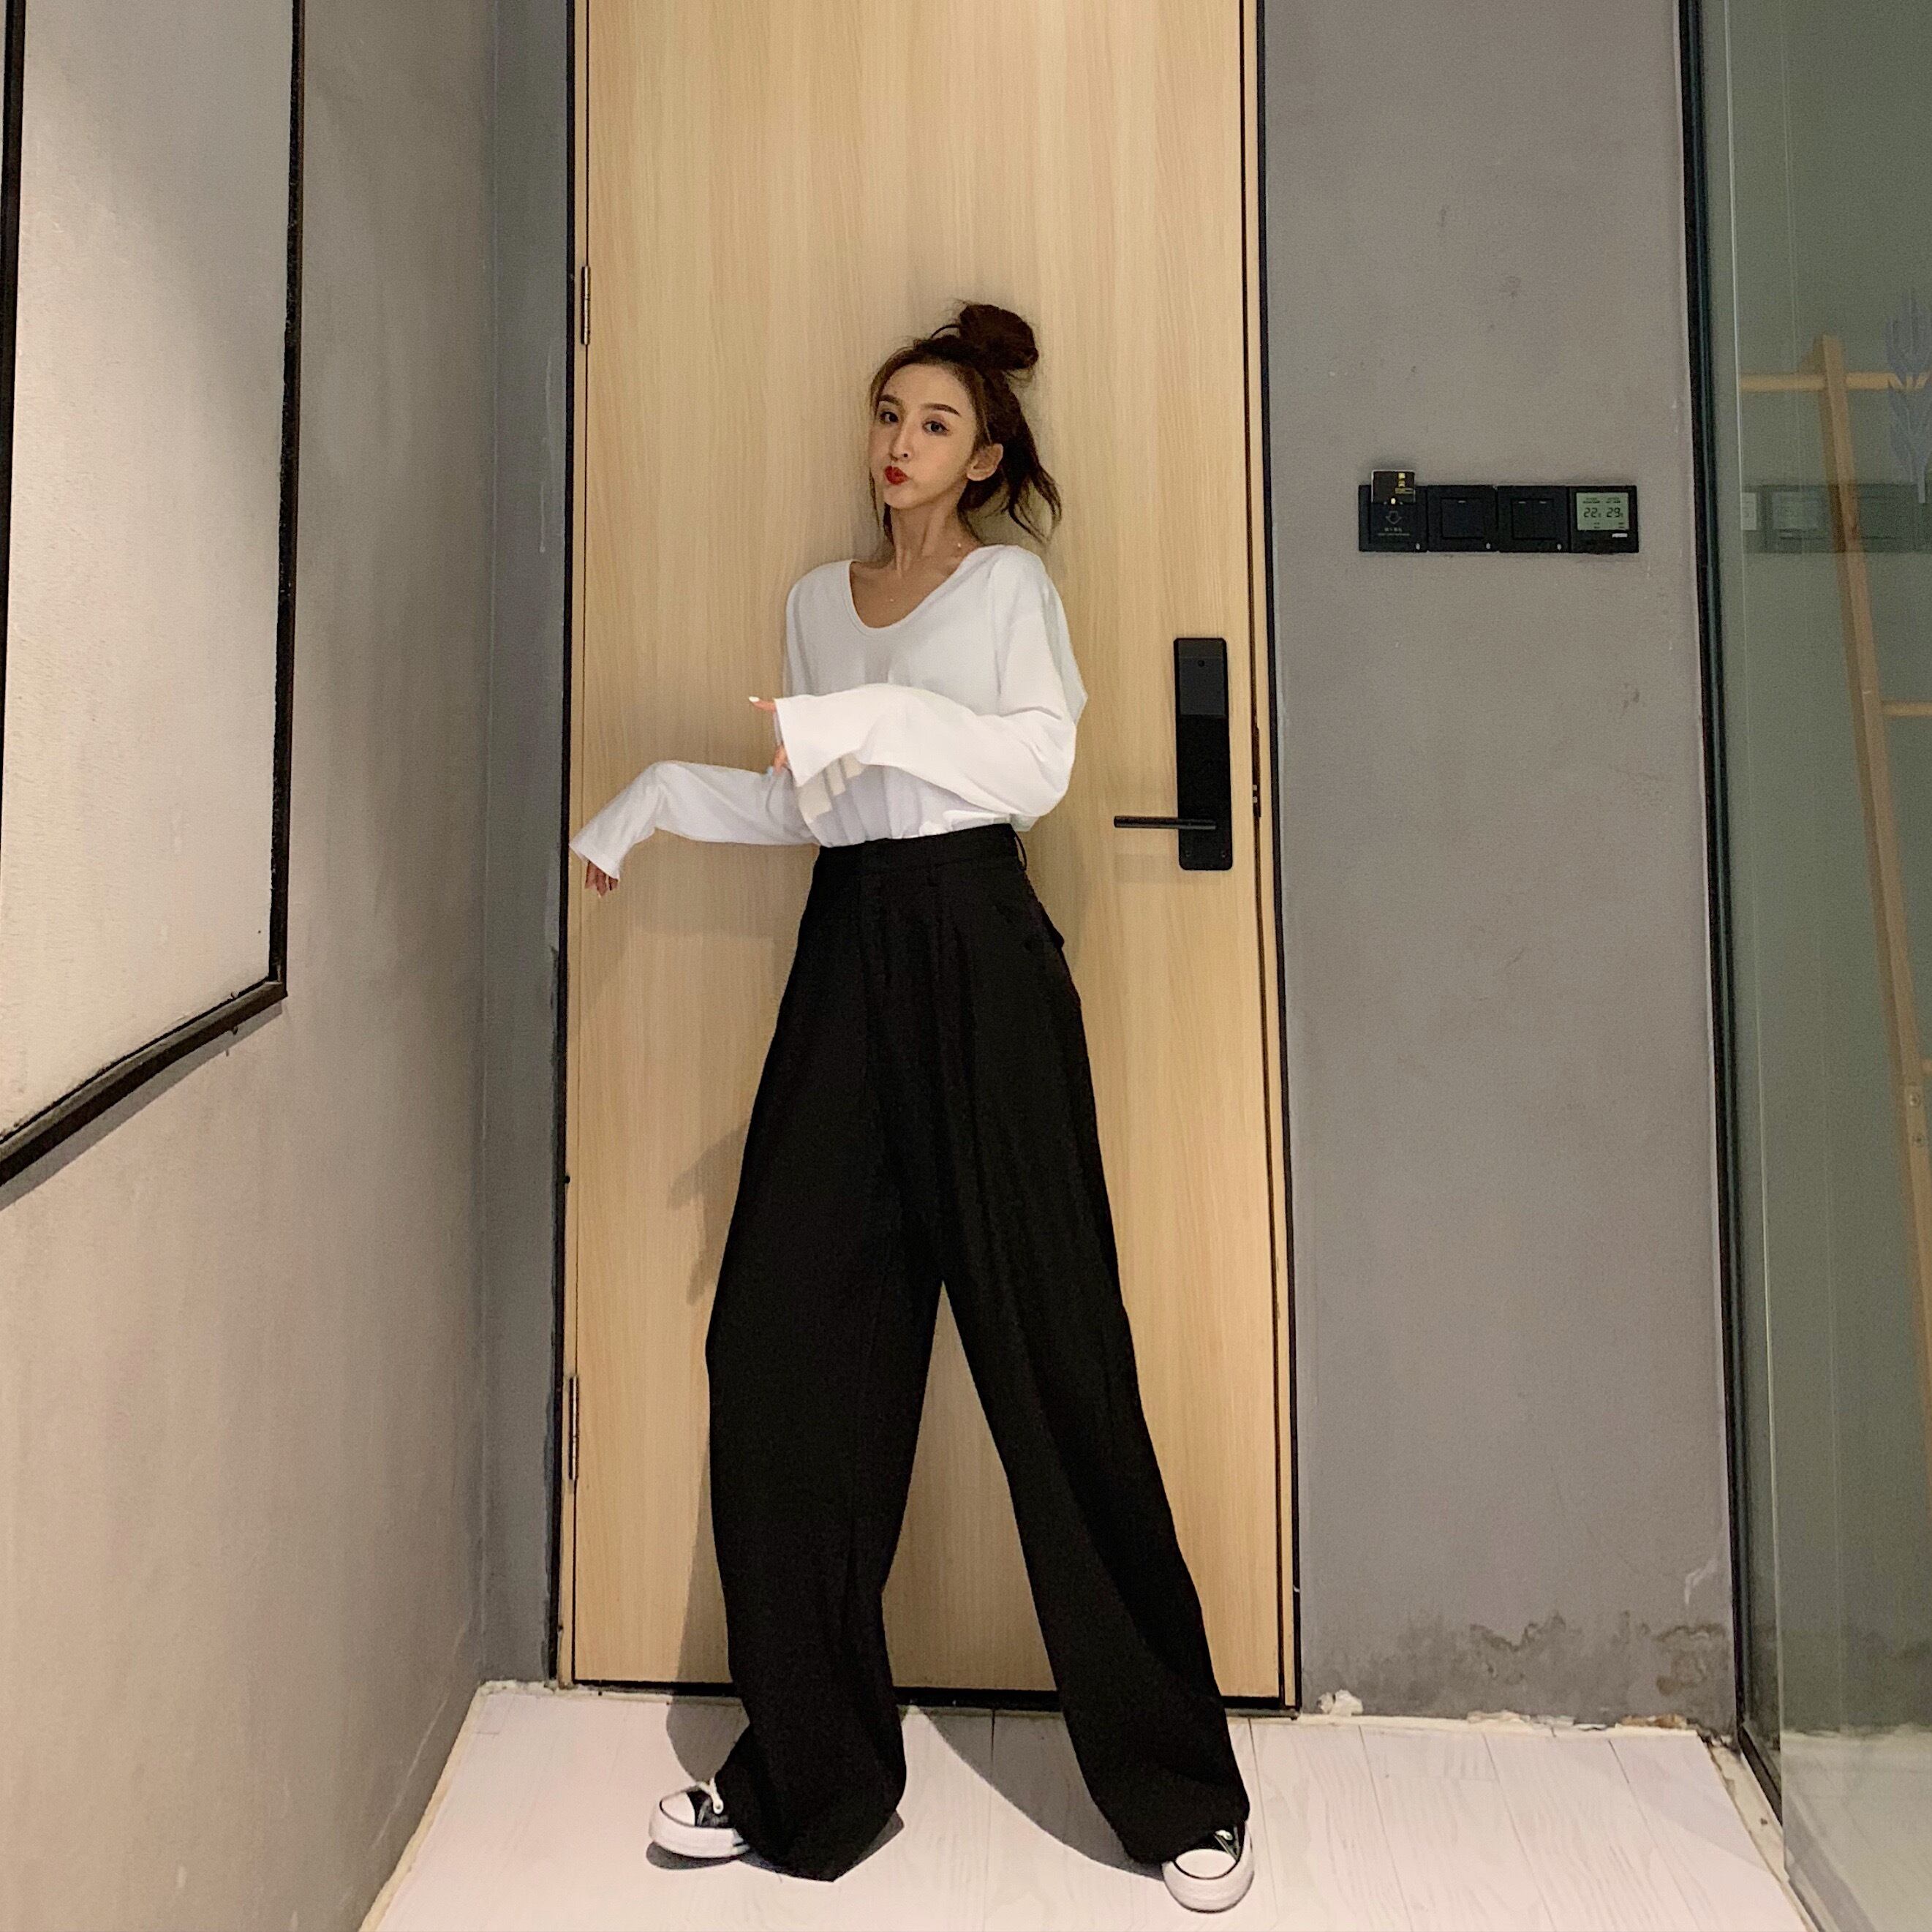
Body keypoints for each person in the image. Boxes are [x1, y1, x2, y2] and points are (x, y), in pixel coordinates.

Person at [569, 302, 1255, 1914]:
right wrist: (653, 800)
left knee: (1052, 1349)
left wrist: (860, 719)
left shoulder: (1008, 589)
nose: (899, 442)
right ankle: (811, 1773)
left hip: (980, 955)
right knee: (778, 1350)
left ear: (985, 457)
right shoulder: (818, 602)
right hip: (851, 951)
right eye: (888, 412)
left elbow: (1030, 772)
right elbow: (826, 808)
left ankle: (1174, 1783)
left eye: (935, 422)